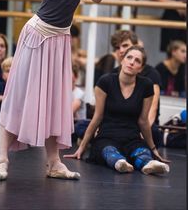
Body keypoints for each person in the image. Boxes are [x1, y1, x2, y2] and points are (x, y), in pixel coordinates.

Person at [0, 0, 149, 182]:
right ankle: (2, 159)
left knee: (55, 102)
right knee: (18, 97)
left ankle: (54, 163)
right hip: (38, 37)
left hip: (59, 40)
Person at [65, 46, 170, 175]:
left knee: (141, 152)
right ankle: (119, 162)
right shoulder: (105, 82)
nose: (132, 62)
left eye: (137, 61)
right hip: (107, 136)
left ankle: (148, 163)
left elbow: (143, 121)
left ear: (141, 68)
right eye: (129, 57)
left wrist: (153, 149)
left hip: (132, 137)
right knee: (109, 151)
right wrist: (81, 148)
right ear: (122, 60)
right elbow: (97, 117)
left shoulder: (146, 85)